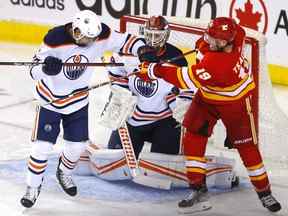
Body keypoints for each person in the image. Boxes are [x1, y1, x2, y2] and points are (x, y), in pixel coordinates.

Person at [137, 17, 281, 213]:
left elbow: (183, 79)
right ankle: (198, 189)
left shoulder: (218, 65)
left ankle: (265, 193)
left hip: (235, 105)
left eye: (213, 39)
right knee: (193, 138)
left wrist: (152, 69)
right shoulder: (236, 36)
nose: (207, 40)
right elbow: (235, 28)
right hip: (206, 99)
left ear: (223, 44)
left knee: (247, 149)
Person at [20, 9, 146, 208]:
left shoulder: (100, 34)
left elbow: (126, 41)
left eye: (92, 38)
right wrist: (44, 68)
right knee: (41, 148)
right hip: (50, 101)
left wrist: (141, 49)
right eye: (85, 37)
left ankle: (64, 172)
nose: (89, 42)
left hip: (78, 101)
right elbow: (33, 70)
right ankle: (33, 186)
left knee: (76, 148)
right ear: (76, 30)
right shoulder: (55, 38)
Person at [102, 15, 194, 159]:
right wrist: (122, 93)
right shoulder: (129, 50)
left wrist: (181, 104)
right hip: (132, 118)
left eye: (157, 35)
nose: (152, 39)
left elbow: (185, 86)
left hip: (164, 121)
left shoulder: (176, 57)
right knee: (115, 157)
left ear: (166, 35)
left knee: (164, 161)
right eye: (149, 34)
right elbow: (116, 73)